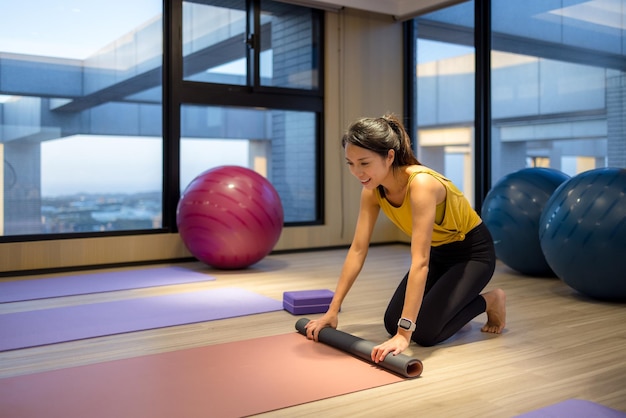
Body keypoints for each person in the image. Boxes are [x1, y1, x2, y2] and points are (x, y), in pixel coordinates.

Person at [305, 114, 506, 364]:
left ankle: (490, 301)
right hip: (439, 253)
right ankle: (440, 310)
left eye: (364, 163)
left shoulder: (421, 184)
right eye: (350, 163)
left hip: (472, 254)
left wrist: (403, 334)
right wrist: (332, 311)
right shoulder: (372, 192)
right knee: (392, 321)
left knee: (424, 332)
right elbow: (357, 250)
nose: (357, 172)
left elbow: (419, 262)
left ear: (389, 156)